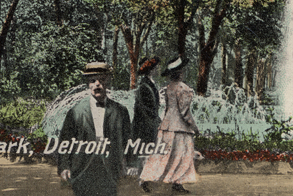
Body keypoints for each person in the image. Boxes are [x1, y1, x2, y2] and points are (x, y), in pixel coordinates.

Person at [58, 62, 135, 196]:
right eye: (93, 81)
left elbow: (129, 140)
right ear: (88, 84)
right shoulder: (76, 111)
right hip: (82, 166)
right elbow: (65, 140)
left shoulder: (120, 111)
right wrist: (64, 166)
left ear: (108, 82)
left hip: (109, 167)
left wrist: (131, 163)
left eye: (102, 80)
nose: (97, 84)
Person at [139, 57, 200, 194]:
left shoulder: (168, 88)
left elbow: (168, 109)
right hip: (180, 129)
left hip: (166, 126)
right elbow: (185, 113)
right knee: (181, 156)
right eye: (182, 70)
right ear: (180, 72)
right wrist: (195, 127)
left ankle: (146, 178)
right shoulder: (184, 89)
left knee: (160, 154)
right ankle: (176, 182)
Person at [131, 56, 161, 171]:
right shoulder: (144, 86)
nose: (158, 69)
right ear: (151, 70)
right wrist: (157, 121)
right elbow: (145, 110)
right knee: (144, 153)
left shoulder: (150, 84)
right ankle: (143, 180)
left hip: (149, 124)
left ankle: (146, 178)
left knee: (148, 152)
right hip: (144, 125)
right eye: (156, 67)